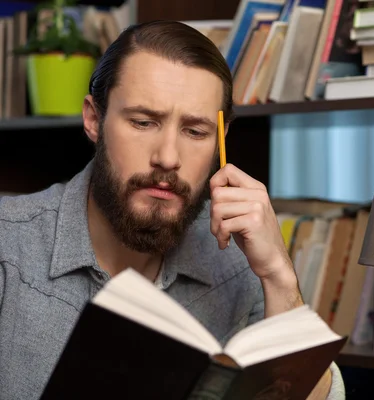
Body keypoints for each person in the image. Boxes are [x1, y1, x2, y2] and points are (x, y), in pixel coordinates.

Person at [0, 20, 345, 399]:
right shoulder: (8, 246)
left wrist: (280, 278)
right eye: (143, 122)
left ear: (220, 140)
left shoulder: (237, 263)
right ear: (94, 119)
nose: (167, 158)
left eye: (195, 132)